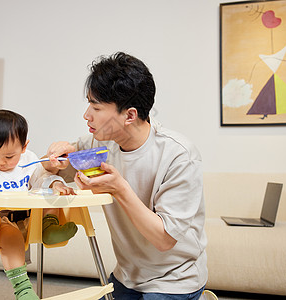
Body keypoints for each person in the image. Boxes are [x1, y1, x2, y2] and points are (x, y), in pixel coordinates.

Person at [44, 52, 207, 299]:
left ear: (129, 115)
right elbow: (52, 169)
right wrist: (54, 162)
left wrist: (119, 188)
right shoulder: (99, 145)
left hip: (174, 280)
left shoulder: (179, 155)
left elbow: (164, 240)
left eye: (96, 107)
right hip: (125, 277)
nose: (86, 115)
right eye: (89, 104)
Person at [0, 109, 78, 300]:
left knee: (50, 190)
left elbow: (41, 180)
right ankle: (23, 288)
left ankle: (49, 227)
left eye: (8, 157)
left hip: (29, 218)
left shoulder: (29, 160)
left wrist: (56, 184)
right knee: (10, 231)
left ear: (24, 147)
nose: (0, 162)